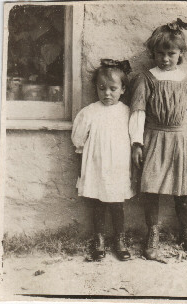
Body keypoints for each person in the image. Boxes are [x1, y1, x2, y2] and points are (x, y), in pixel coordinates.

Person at [129, 19, 187, 260]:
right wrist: (137, 143)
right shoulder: (146, 79)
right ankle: (152, 234)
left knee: (182, 193)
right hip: (153, 137)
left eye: (171, 53)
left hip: (179, 139)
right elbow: (138, 112)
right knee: (151, 190)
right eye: (160, 53)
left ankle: (186, 234)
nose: (165, 59)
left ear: (180, 54)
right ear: (153, 54)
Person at [71, 59, 135, 261]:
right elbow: (78, 136)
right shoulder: (90, 111)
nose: (107, 93)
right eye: (102, 88)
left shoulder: (127, 112)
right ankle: (98, 240)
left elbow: (135, 136)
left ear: (123, 89)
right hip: (97, 166)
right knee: (98, 203)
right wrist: (80, 150)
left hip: (118, 166)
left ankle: (119, 239)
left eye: (113, 89)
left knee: (117, 204)